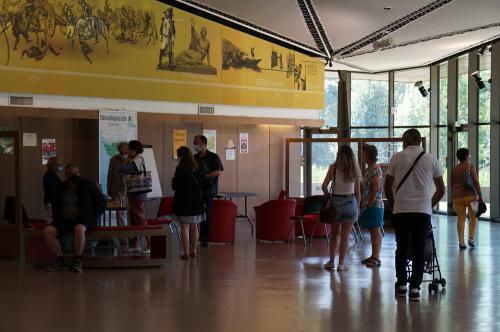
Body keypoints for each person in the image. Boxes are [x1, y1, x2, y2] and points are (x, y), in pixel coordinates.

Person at [385, 129, 445, 301]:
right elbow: (441, 190)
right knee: (419, 249)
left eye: (404, 138)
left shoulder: (397, 157)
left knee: (401, 248)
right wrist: (429, 204)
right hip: (422, 212)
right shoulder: (432, 159)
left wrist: (393, 202)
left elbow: (387, 185)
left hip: (401, 210)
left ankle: (402, 284)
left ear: (408, 139)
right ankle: (415, 289)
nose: (402, 141)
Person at [42, 164, 106, 272]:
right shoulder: (61, 187)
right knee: (48, 231)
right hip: (65, 218)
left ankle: (77, 260)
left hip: (83, 218)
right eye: (71, 173)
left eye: (76, 172)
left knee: (79, 229)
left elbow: (102, 203)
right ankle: (60, 259)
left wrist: (93, 216)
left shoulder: (88, 185)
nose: (74, 175)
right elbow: (55, 203)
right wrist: (56, 215)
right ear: (66, 175)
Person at [321, 145, 361, 272]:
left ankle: (331, 261)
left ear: (339, 155)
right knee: (345, 235)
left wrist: (328, 196)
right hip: (351, 202)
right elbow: (357, 192)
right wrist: (358, 207)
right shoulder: (354, 169)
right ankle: (341, 264)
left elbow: (324, 186)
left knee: (334, 235)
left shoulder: (333, 168)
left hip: (335, 202)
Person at [172, 146, 204, 260]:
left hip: (183, 200)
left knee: (184, 226)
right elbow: (203, 183)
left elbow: (175, 186)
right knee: (194, 226)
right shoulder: (197, 167)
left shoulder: (180, 169)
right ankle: (194, 250)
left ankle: (186, 252)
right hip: (196, 200)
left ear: (181, 156)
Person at [120, 140, 150, 255]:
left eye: (129, 150)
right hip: (133, 192)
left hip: (138, 193)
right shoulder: (135, 159)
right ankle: (135, 244)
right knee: (134, 218)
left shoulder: (137, 160)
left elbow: (122, 169)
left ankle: (149, 243)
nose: (127, 152)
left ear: (133, 150)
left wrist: (126, 160)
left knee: (140, 218)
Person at [194, 135, 223, 247]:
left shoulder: (213, 157)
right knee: (195, 214)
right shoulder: (194, 157)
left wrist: (205, 176)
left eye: (197, 143)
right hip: (196, 190)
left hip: (208, 190)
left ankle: (204, 238)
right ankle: (194, 237)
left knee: (207, 215)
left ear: (204, 144)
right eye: (194, 143)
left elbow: (217, 172)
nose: (195, 145)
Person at [451, 148, 482, 249]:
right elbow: (476, 181)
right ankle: (471, 238)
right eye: (469, 155)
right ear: (466, 156)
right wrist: (480, 195)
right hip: (471, 196)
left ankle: (461, 242)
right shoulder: (470, 166)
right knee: (473, 217)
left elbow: (452, 183)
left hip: (457, 197)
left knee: (461, 218)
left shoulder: (455, 169)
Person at [359, 144, 384, 268]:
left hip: (374, 206)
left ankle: (376, 257)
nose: (362, 155)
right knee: (372, 231)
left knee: (375, 232)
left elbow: (375, 188)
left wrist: (369, 204)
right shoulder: (369, 169)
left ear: (369, 154)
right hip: (369, 205)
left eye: (364, 153)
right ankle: (373, 256)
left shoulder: (375, 169)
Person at [107, 142, 128, 228]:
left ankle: (132, 238)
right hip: (117, 191)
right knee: (120, 215)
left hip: (129, 192)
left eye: (125, 152)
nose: (123, 155)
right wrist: (110, 192)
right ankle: (123, 239)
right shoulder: (113, 160)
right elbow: (110, 176)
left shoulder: (133, 160)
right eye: (121, 153)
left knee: (131, 215)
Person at [43, 156, 63, 221]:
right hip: (51, 202)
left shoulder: (52, 175)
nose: (60, 167)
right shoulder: (50, 176)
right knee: (52, 219)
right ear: (53, 166)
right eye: (59, 165)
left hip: (51, 201)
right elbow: (52, 191)